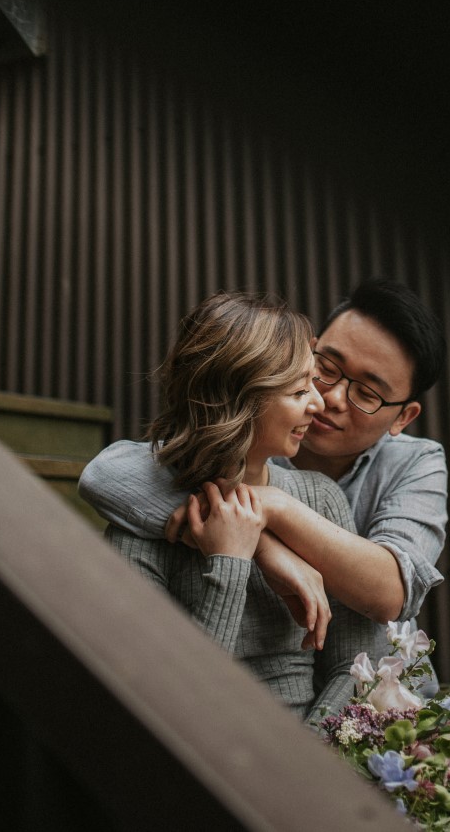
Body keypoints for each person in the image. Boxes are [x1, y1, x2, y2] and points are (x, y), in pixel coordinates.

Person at [80, 278, 450, 830]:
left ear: (403, 416)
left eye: (366, 392)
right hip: (226, 738)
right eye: (322, 370)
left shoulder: (395, 471)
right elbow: (103, 475)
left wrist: (268, 515)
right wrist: (245, 548)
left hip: (377, 715)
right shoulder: (170, 489)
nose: (328, 400)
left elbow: (384, 602)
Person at [98, 288, 376, 725]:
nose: (319, 404)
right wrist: (228, 562)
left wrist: (316, 752)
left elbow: (356, 666)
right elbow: (171, 705)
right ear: (241, 400)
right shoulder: (138, 530)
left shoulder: (320, 498)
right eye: (300, 389)